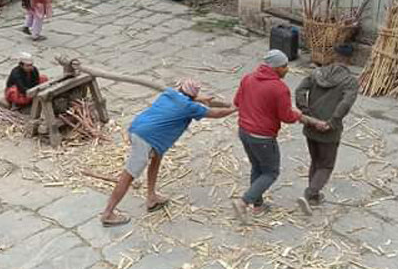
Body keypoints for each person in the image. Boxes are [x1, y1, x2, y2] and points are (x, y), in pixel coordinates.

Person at [100, 79, 236, 227]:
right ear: (192, 97)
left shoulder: (169, 93)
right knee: (128, 175)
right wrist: (234, 108)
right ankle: (108, 214)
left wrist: (200, 98)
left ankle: (152, 197)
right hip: (146, 138)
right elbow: (218, 114)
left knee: (157, 157)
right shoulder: (190, 107)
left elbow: (185, 97)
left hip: (139, 128)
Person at [231, 49, 327, 220]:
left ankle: (258, 205)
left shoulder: (248, 78)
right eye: (284, 66)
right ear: (275, 68)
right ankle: (244, 202)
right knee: (271, 172)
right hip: (263, 138)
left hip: (244, 132)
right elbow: (286, 117)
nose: (287, 69)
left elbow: (237, 102)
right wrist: (301, 116)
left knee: (258, 167)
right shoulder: (279, 88)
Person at [294, 44, 358, 215]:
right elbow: (345, 103)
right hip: (329, 131)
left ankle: (313, 197)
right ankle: (310, 194)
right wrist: (333, 121)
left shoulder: (317, 73)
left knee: (315, 161)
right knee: (326, 165)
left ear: (334, 56)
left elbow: (300, 90)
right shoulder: (350, 81)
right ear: (351, 59)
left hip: (310, 126)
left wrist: (306, 113)